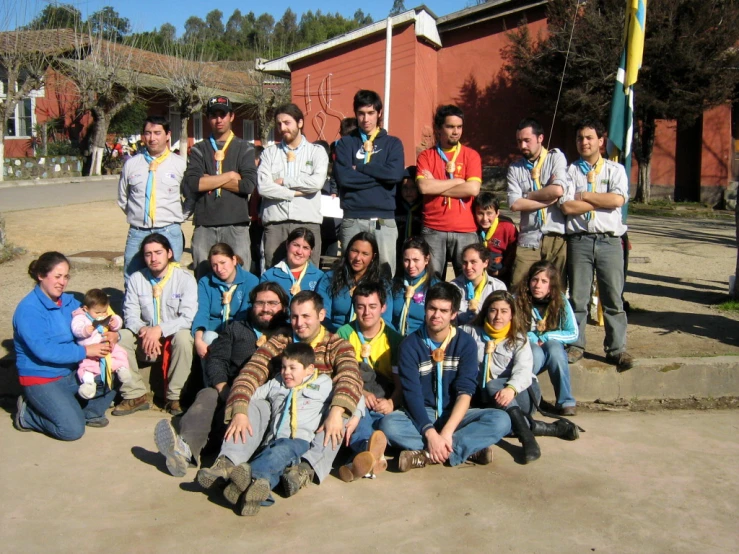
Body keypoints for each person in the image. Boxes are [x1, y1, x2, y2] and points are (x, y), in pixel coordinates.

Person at [195, 291, 362, 497]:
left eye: (306, 316)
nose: (299, 323)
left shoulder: (337, 345)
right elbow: (253, 370)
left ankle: (304, 470)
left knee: (340, 412)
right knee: (254, 405)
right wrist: (239, 409)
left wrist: (337, 413)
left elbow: (350, 376)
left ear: (321, 315)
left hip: (313, 418)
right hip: (277, 412)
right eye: (294, 316)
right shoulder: (280, 341)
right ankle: (228, 463)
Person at [154, 282, 290, 477]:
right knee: (207, 395)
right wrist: (223, 387)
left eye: (272, 303)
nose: (266, 309)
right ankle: (184, 450)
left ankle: (221, 454)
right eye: (260, 303)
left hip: (262, 400)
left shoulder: (289, 334)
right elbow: (217, 360)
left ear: (283, 307)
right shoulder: (236, 328)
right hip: (230, 391)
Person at [379, 283, 512, 471]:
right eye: (432, 308)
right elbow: (412, 395)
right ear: (425, 308)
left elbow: (465, 392)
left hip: (454, 414)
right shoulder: (410, 345)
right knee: (388, 425)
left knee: (501, 420)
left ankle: (426, 454)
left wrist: (447, 432)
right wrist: (431, 434)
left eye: (443, 310)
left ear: (454, 314)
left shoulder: (465, 343)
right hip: (422, 413)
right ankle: (465, 449)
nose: (436, 315)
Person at [220, 343, 333, 516]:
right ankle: (257, 495)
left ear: (309, 369)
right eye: (284, 367)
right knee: (272, 458)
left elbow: (352, 398)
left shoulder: (323, 383)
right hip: (272, 439)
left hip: (298, 441)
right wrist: (239, 408)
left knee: (278, 454)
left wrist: (343, 415)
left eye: (293, 368)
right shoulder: (276, 383)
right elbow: (253, 395)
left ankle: (249, 478)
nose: (286, 372)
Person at [13, 252, 117, 439]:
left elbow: (94, 320)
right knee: (71, 430)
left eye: (66, 276)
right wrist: (86, 350)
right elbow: (45, 351)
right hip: (42, 379)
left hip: (70, 373)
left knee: (113, 367)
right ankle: (27, 414)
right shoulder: (29, 310)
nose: (63, 282)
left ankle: (88, 412)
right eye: (57, 276)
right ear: (41, 275)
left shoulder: (70, 302)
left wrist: (112, 334)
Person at [561, 118, 633, 371]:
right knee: (578, 298)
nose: (584, 142)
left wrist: (587, 196)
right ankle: (576, 345)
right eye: (580, 138)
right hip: (579, 241)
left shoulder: (616, 170)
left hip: (609, 241)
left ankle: (616, 349)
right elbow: (568, 206)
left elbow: (617, 199)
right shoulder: (570, 171)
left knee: (613, 297)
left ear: (601, 141)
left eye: (589, 137)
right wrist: (601, 201)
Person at [116, 233, 197, 416]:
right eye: (148, 254)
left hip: (171, 338)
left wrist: (159, 330)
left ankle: (174, 397)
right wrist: (144, 330)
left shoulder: (185, 278)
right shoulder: (137, 279)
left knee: (185, 337)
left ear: (169, 253)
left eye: (158, 252)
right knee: (121, 337)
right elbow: (130, 315)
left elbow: (188, 317)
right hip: (145, 340)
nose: (153, 258)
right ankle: (134, 394)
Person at [462, 291, 541, 463]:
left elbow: (524, 370)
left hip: (521, 394)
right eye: (493, 310)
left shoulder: (519, 338)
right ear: (486, 312)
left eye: (504, 311)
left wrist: (511, 389)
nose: (498, 316)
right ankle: (545, 428)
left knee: (492, 385)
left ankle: (527, 438)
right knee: (485, 415)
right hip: (487, 397)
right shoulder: (470, 332)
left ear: (512, 314)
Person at [334, 90, 405, 279]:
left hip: (384, 221)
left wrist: (362, 167)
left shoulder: (393, 144)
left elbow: (395, 175)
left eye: (371, 113)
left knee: (385, 277)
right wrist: (380, 176)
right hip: (353, 219)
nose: (366, 119)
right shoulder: (345, 144)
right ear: (356, 114)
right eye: (361, 113)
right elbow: (344, 178)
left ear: (379, 113)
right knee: (350, 276)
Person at [184, 95, 257, 279]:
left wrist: (210, 179)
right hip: (205, 224)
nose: (219, 120)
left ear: (231, 117)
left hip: (236, 223)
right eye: (214, 115)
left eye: (223, 115)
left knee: (240, 276)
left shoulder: (245, 148)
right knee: (203, 274)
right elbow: (193, 183)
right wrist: (230, 176)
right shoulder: (199, 149)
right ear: (208, 118)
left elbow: (247, 185)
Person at [336, 282, 403, 482]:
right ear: (354, 307)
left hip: (384, 398)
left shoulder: (394, 339)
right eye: (360, 306)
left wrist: (392, 402)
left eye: (372, 306)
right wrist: (363, 395)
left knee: (386, 422)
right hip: (356, 395)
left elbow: (401, 383)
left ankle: (357, 461)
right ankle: (369, 449)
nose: (366, 312)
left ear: (383, 308)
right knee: (358, 415)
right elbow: (338, 375)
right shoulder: (344, 334)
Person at [118, 115, 188, 283]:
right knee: (132, 276)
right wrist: (137, 215)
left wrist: (178, 217)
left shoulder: (180, 164)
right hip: (138, 231)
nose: (152, 138)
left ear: (168, 135)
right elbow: (123, 198)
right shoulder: (131, 164)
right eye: (148, 133)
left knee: (170, 279)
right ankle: (134, 309)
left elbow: (190, 197)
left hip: (169, 230)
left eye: (157, 133)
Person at [257, 103, 328, 268]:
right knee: (273, 277)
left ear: (300, 123)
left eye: (287, 123)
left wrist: (284, 181)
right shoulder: (269, 153)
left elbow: (316, 183)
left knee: (308, 278)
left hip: (307, 223)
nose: (282, 128)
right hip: (275, 225)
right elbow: (263, 187)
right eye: (279, 124)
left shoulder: (316, 152)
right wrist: (295, 193)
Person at [417, 105, 482, 278]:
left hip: (465, 230)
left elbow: (473, 189)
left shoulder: (471, 155)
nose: (456, 132)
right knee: (432, 281)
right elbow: (424, 188)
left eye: (459, 127)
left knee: (469, 280)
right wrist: (457, 182)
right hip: (433, 228)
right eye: (450, 127)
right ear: (438, 129)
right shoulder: (426, 156)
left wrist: (437, 186)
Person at [507, 117, 570, 287]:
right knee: (518, 285)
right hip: (529, 237)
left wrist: (527, 195)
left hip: (555, 236)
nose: (522, 146)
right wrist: (546, 200)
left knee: (557, 290)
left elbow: (557, 190)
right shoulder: (515, 168)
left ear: (540, 138)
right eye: (519, 141)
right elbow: (514, 204)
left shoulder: (555, 158)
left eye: (527, 141)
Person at [515, 261, 578, 415]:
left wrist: (548, 336)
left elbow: (573, 333)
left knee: (555, 348)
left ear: (551, 285)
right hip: (526, 347)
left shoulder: (560, 301)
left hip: (550, 348)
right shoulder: (517, 299)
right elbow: (511, 330)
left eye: (544, 281)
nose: (538, 285)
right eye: (534, 280)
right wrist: (531, 337)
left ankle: (565, 402)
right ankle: (527, 399)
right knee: (535, 352)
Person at [192, 243, 258, 362]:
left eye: (223, 263)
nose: (219, 269)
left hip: (238, 333)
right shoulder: (205, 282)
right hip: (213, 332)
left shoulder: (251, 280)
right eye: (214, 265)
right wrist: (198, 340)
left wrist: (227, 341)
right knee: (208, 338)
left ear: (233, 260)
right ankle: (211, 380)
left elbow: (244, 313)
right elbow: (203, 311)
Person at [316, 232, 393, 332]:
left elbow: (385, 320)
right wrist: (340, 337)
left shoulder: (382, 284)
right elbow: (323, 316)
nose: (358, 258)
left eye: (365, 254)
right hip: (334, 334)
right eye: (354, 251)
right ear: (348, 251)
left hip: (368, 338)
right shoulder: (330, 278)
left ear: (373, 256)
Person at [71, 288, 131, 399]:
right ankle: (88, 384)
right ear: (86, 308)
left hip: (107, 347)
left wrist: (115, 322)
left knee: (120, 353)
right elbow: (76, 329)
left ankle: (122, 369)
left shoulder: (106, 315)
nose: (101, 315)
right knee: (86, 366)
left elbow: (118, 321)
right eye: (97, 312)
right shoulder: (81, 317)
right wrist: (84, 330)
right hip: (90, 350)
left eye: (104, 311)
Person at [260, 227, 325, 301]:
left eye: (305, 248)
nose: (299, 252)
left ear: (311, 251)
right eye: (296, 245)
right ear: (287, 245)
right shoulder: (269, 277)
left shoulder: (320, 277)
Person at [391, 236, 439, 336]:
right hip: (394, 339)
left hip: (422, 340)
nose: (411, 265)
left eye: (416, 260)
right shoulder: (393, 284)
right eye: (406, 260)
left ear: (426, 259)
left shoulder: (435, 287)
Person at [451, 244, 507, 325]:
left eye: (473, 262)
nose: (468, 267)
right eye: (465, 262)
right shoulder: (453, 287)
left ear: (485, 263)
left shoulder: (498, 287)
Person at [474, 191, 518, 286]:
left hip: (502, 273)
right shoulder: (472, 227)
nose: (485, 218)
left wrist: (503, 270)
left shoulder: (508, 227)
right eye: (480, 213)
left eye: (489, 213)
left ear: (497, 213)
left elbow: (513, 252)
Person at [395, 166, 423, 246]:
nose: (408, 191)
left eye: (413, 187)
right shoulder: (396, 207)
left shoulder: (423, 208)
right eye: (405, 187)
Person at [248, 145, 265, 275]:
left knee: (260, 256)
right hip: (254, 222)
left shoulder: (263, 176)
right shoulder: (252, 177)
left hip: (261, 223)